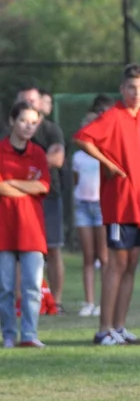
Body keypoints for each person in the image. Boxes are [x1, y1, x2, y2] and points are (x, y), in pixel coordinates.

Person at [73, 64, 140, 346]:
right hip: (118, 204)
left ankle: (119, 326)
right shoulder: (114, 115)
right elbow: (82, 138)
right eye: (132, 87)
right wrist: (108, 164)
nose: (137, 93)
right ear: (122, 89)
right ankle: (103, 329)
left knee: (132, 264)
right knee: (115, 265)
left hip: (138, 203)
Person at [0, 101, 51, 348]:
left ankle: (29, 335)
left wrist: (12, 183)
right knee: (5, 288)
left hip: (32, 231)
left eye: (33, 122)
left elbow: (43, 186)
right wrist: (26, 186)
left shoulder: (38, 153)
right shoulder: (1, 150)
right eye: (23, 121)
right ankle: (8, 335)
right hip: (4, 230)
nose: (28, 126)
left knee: (32, 287)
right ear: (12, 121)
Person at [12, 86, 66, 314]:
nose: (30, 103)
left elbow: (57, 159)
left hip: (48, 196)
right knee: (14, 251)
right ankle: (18, 302)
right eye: (25, 99)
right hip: (16, 201)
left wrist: (23, 171)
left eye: (33, 99)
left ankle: (56, 301)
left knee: (52, 249)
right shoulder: (8, 133)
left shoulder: (51, 129)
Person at [72, 95, 114, 318]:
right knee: (88, 258)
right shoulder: (78, 156)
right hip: (82, 205)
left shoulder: (103, 155)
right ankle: (89, 302)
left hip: (100, 206)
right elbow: (75, 180)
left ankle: (103, 303)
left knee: (104, 257)